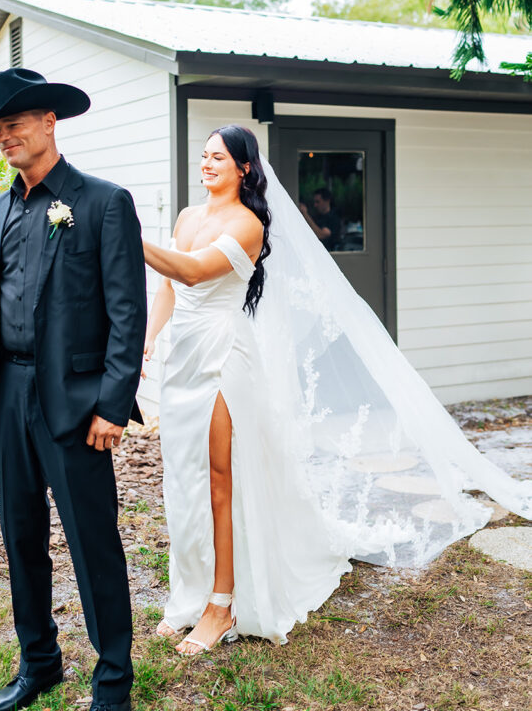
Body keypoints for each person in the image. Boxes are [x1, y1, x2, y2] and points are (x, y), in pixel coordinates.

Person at [143, 124, 532, 650]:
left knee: (218, 480)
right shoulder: (188, 217)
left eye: (218, 157)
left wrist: (127, 234)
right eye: (204, 155)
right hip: (182, 360)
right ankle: (188, 593)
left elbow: (191, 272)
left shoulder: (248, 223)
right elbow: (168, 287)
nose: (207, 164)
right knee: (182, 479)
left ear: (245, 168)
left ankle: (222, 604)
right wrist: (148, 342)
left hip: (222, 360)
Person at [0, 67, 146, 711]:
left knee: (93, 541)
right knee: (21, 538)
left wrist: (112, 404)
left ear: (48, 122)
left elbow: (128, 313)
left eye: (13, 123)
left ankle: (113, 681)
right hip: (5, 395)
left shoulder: (102, 202)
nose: (3, 135)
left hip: (76, 404)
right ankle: (39, 663)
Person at [300, 187, 341, 251]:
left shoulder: (333, 218)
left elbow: (321, 235)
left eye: (318, 202)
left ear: (327, 201)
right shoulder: (317, 217)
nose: (315, 205)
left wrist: (305, 214)